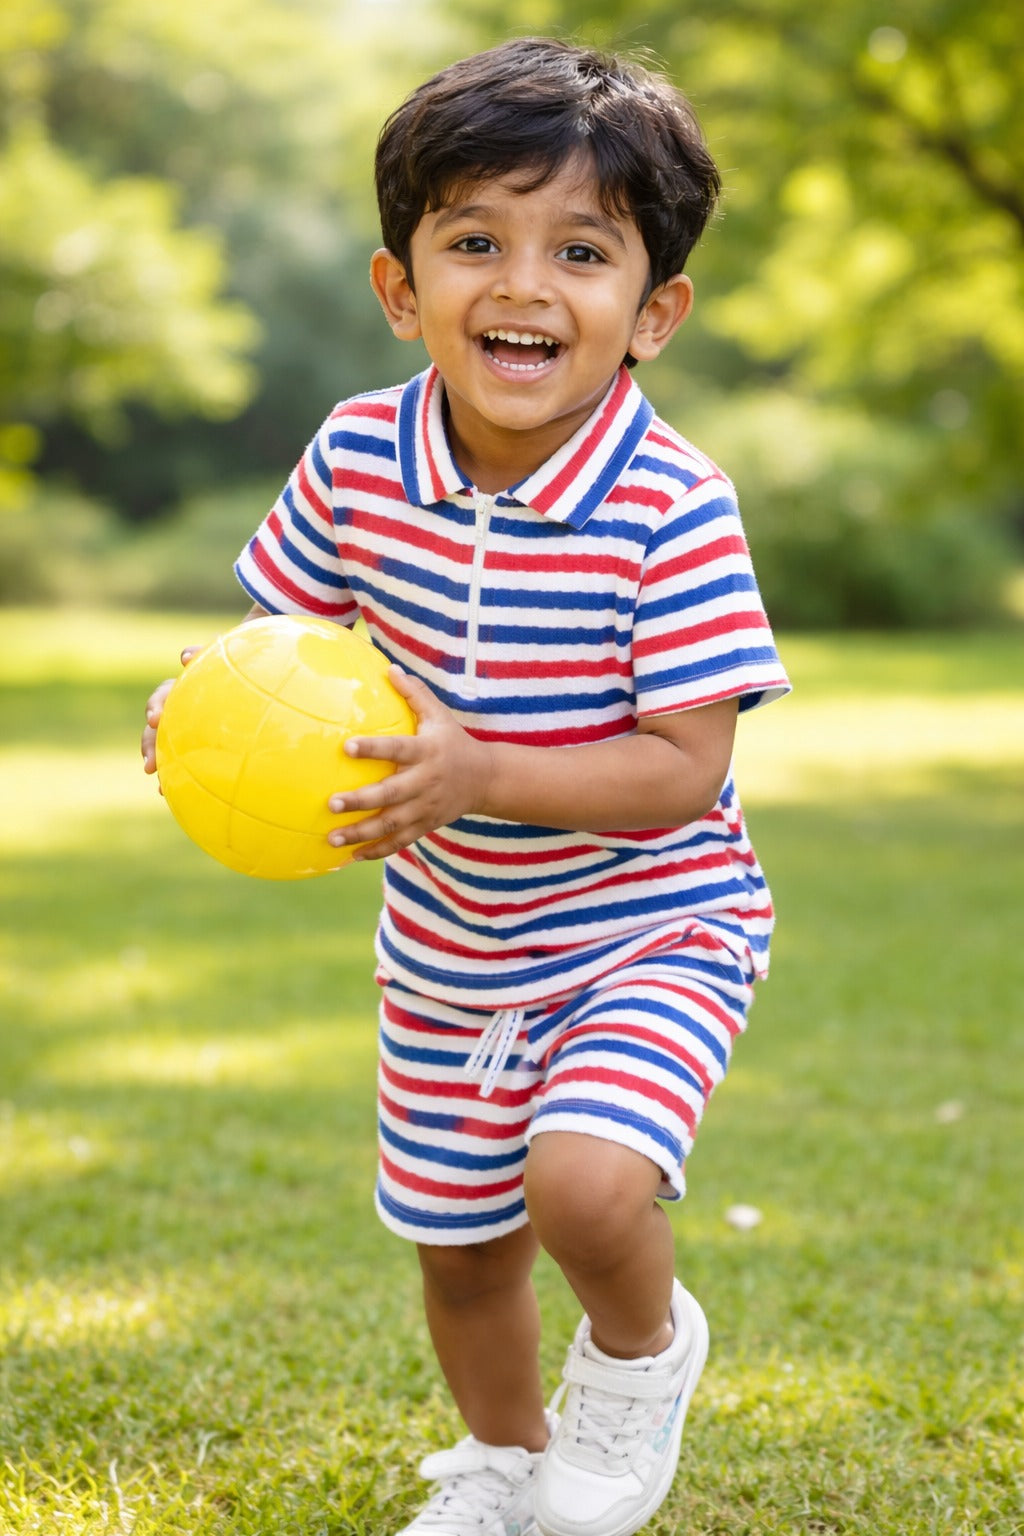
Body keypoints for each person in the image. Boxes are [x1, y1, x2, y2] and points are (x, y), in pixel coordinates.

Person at [142, 37, 790, 1536]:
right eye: (474, 242)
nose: (522, 284)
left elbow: (687, 772)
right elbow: (280, 647)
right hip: (450, 950)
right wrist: (201, 703)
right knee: (461, 1246)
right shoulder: (361, 453)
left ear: (655, 311)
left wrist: (476, 766)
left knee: (580, 1189)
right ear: (400, 286)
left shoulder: (669, 507)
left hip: (654, 924)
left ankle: (640, 1356)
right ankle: (505, 1466)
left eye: (581, 251)